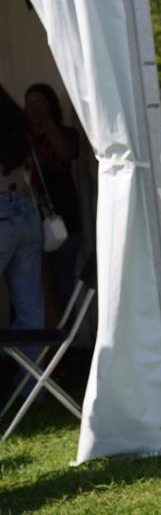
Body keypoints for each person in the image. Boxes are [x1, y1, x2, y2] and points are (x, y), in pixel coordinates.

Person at [25, 83, 84, 325]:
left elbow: (65, 154)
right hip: (30, 218)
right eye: (30, 104)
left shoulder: (68, 133)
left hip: (64, 218)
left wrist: (48, 125)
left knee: (62, 282)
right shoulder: (22, 138)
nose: (35, 109)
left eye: (40, 103)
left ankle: (67, 340)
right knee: (35, 286)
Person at [1, 86, 45, 363]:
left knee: (30, 308)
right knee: (30, 308)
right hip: (25, 212)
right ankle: (33, 388)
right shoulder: (14, 119)